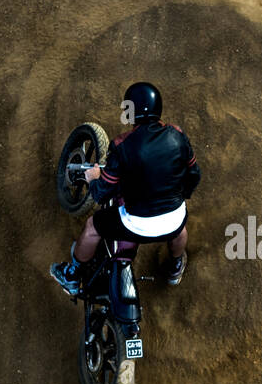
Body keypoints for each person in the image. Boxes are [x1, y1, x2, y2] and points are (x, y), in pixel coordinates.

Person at [51, 82, 200, 293]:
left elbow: (102, 193)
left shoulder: (122, 145)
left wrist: (93, 177)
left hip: (136, 225)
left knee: (93, 227)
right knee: (180, 229)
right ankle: (175, 267)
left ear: (132, 112)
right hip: (173, 219)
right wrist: (177, 196)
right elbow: (194, 174)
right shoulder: (177, 135)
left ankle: (72, 275)